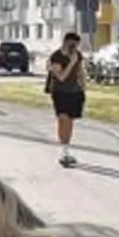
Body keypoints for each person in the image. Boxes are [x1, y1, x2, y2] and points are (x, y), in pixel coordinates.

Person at [45, 33, 87, 168]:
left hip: (74, 92)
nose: (73, 48)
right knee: (63, 119)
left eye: (76, 45)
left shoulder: (78, 55)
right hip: (60, 92)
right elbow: (61, 77)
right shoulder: (56, 56)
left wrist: (83, 84)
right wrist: (71, 62)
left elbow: (80, 71)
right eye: (71, 45)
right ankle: (63, 152)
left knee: (70, 121)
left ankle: (66, 149)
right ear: (65, 43)